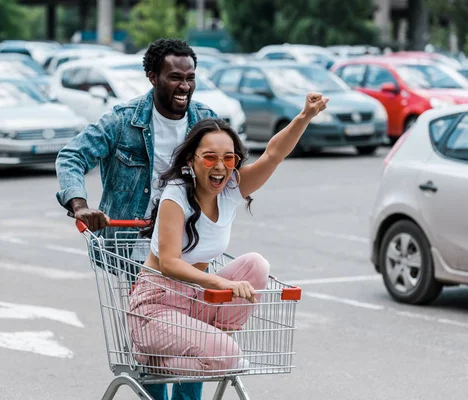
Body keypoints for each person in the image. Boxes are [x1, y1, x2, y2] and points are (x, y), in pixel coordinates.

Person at [55, 38, 217, 400]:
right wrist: (80, 206)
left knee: (195, 337)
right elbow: (72, 157)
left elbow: (229, 168)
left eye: (190, 77)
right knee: (158, 343)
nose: (184, 86)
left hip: (189, 244)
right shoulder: (123, 121)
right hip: (135, 249)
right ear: (152, 77)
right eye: (175, 77)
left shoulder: (205, 123)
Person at [129, 95, 328, 377]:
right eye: (210, 157)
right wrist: (219, 281)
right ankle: (161, 358)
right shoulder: (175, 195)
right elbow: (169, 263)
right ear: (192, 160)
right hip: (156, 307)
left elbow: (273, 155)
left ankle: (219, 345)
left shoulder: (231, 188)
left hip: (195, 303)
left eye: (229, 158)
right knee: (226, 357)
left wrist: (304, 116)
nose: (220, 166)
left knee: (256, 265)